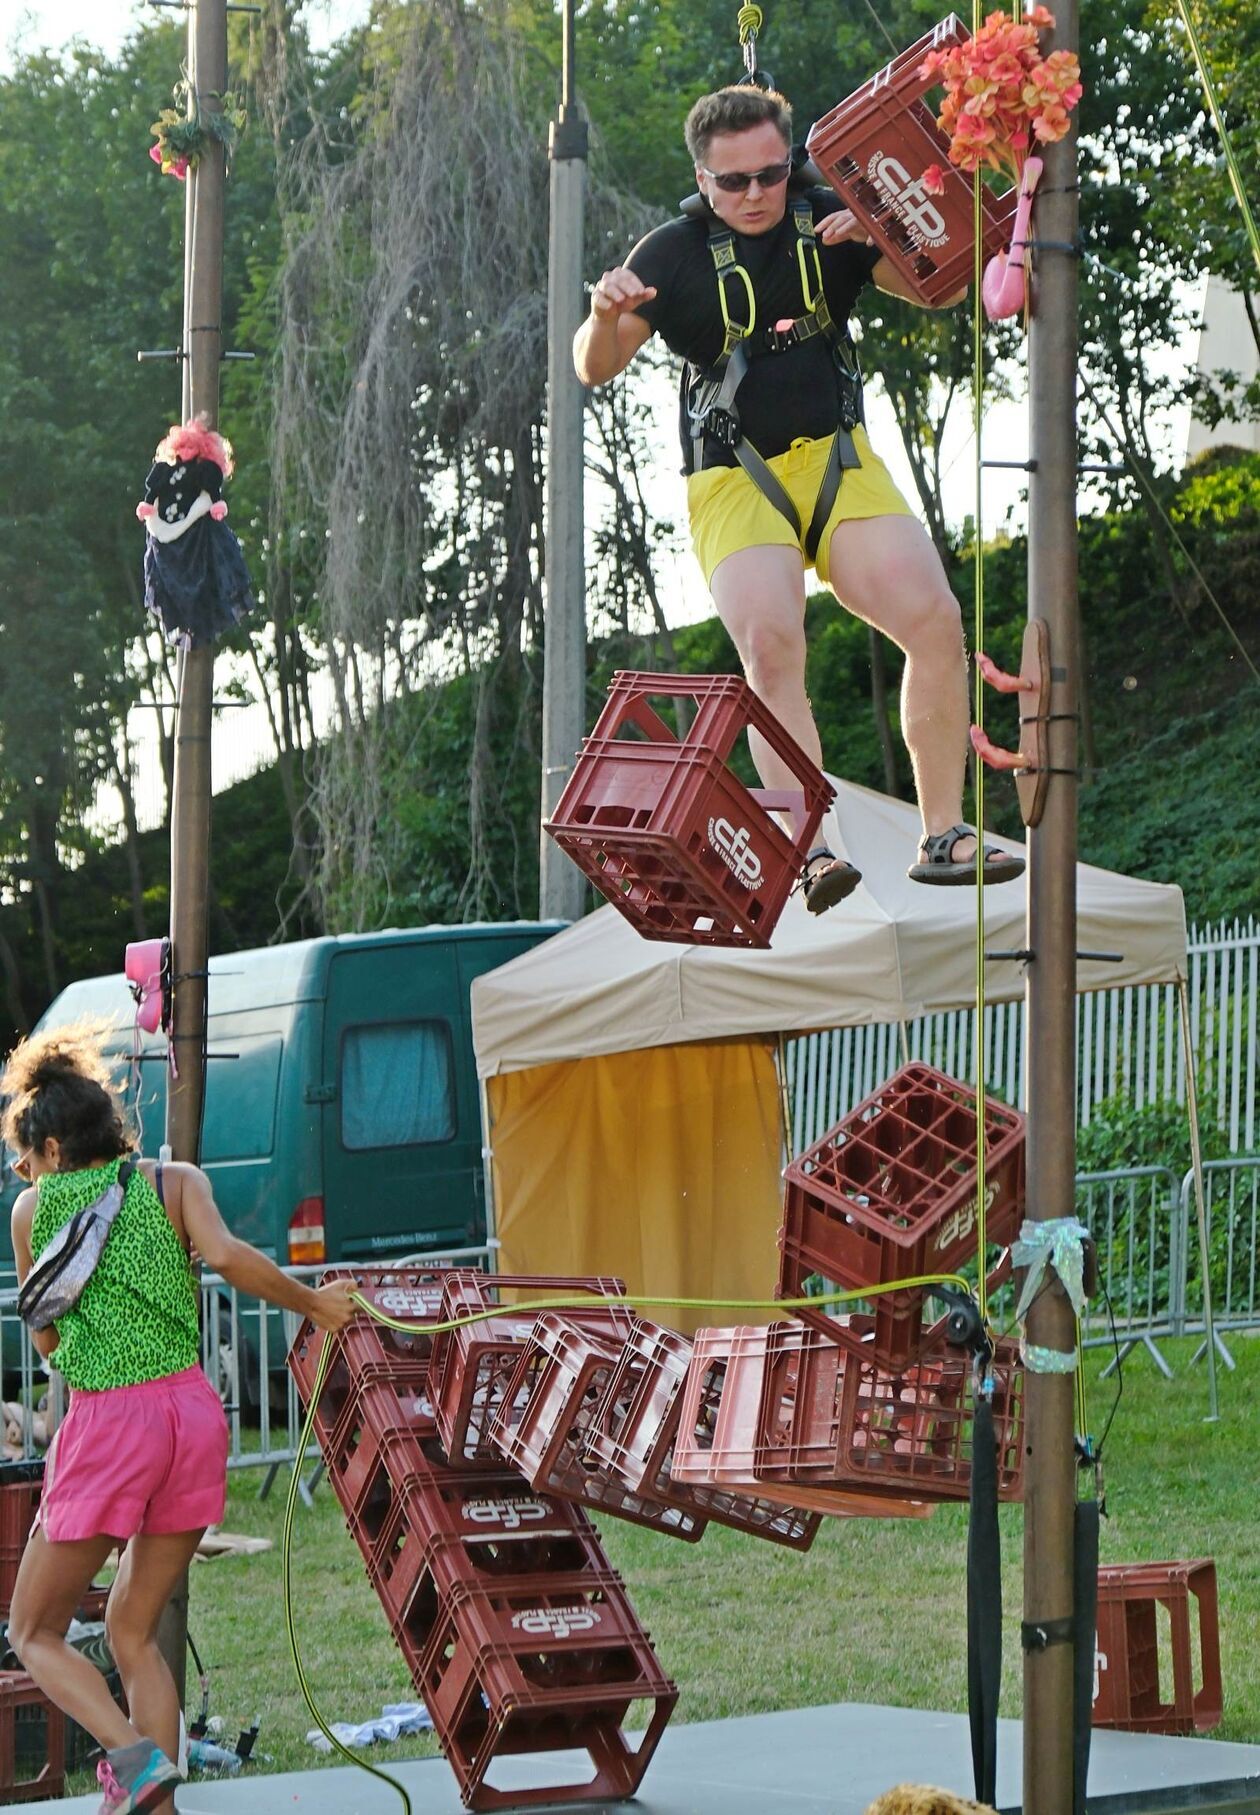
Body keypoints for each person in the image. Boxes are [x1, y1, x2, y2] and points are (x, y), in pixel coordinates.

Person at [574, 84, 1024, 909]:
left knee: (935, 618)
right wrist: (604, 316)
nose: (756, 195)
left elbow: (943, 288)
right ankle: (812, 851)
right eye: (734, 181)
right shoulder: (672, 252)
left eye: (771, 175)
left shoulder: (827, 211)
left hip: (837, 459)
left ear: (791, 162)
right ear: (703, 181)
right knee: (772, 645)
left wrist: (883, 229)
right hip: (733, 473)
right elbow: (591, 365)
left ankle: (944, 831)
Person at [2, 1025, 358, 1815]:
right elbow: (229, 1256)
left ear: (53, 1145)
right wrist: (314, 1305)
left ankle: (133, 1762)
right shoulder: (174, 1182)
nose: (20, 1172)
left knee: (33, 1630)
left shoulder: (33, 1211)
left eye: (23, 1155)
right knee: (133, 1629)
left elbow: (50, 1337)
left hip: (111, 1424)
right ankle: (157, 1805)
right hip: (192, 1418)